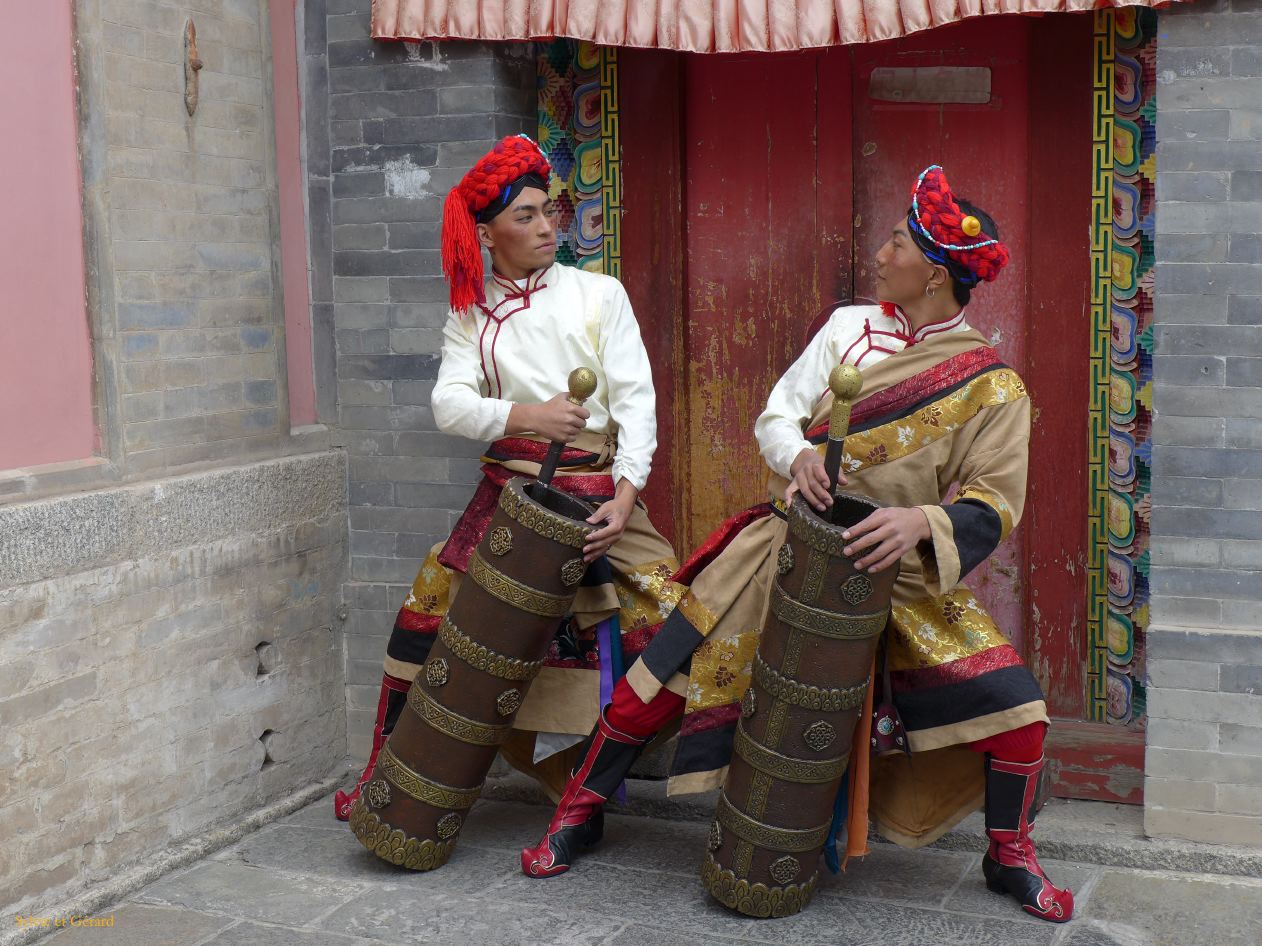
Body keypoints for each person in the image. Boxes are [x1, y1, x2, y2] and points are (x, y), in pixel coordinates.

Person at [522, 165, 1074, 924]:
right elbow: (776, 417)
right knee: (661, 673)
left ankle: (1008, 852)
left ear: (937, 274)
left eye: (896, 241)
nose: (880, 253)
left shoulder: (992, 386)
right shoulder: (849, 328)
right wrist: (800, 456)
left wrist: (919, 523)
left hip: (892, 571)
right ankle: (579, 811)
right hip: (785, 546)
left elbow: (992, 503)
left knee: (1019, 708)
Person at [334, 135, 683, 821]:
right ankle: (387, 777)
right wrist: (528, 415)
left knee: (677, 633)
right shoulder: (471, 312)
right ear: (487, 234)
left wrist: (627, 494)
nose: (547, 225)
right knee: (423, 626)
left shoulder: (598, 294)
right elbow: (448, 404)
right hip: (507, 500)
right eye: (524, 217)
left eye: (547, 211)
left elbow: (638, 401)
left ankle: (588, 788)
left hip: (598, 495)